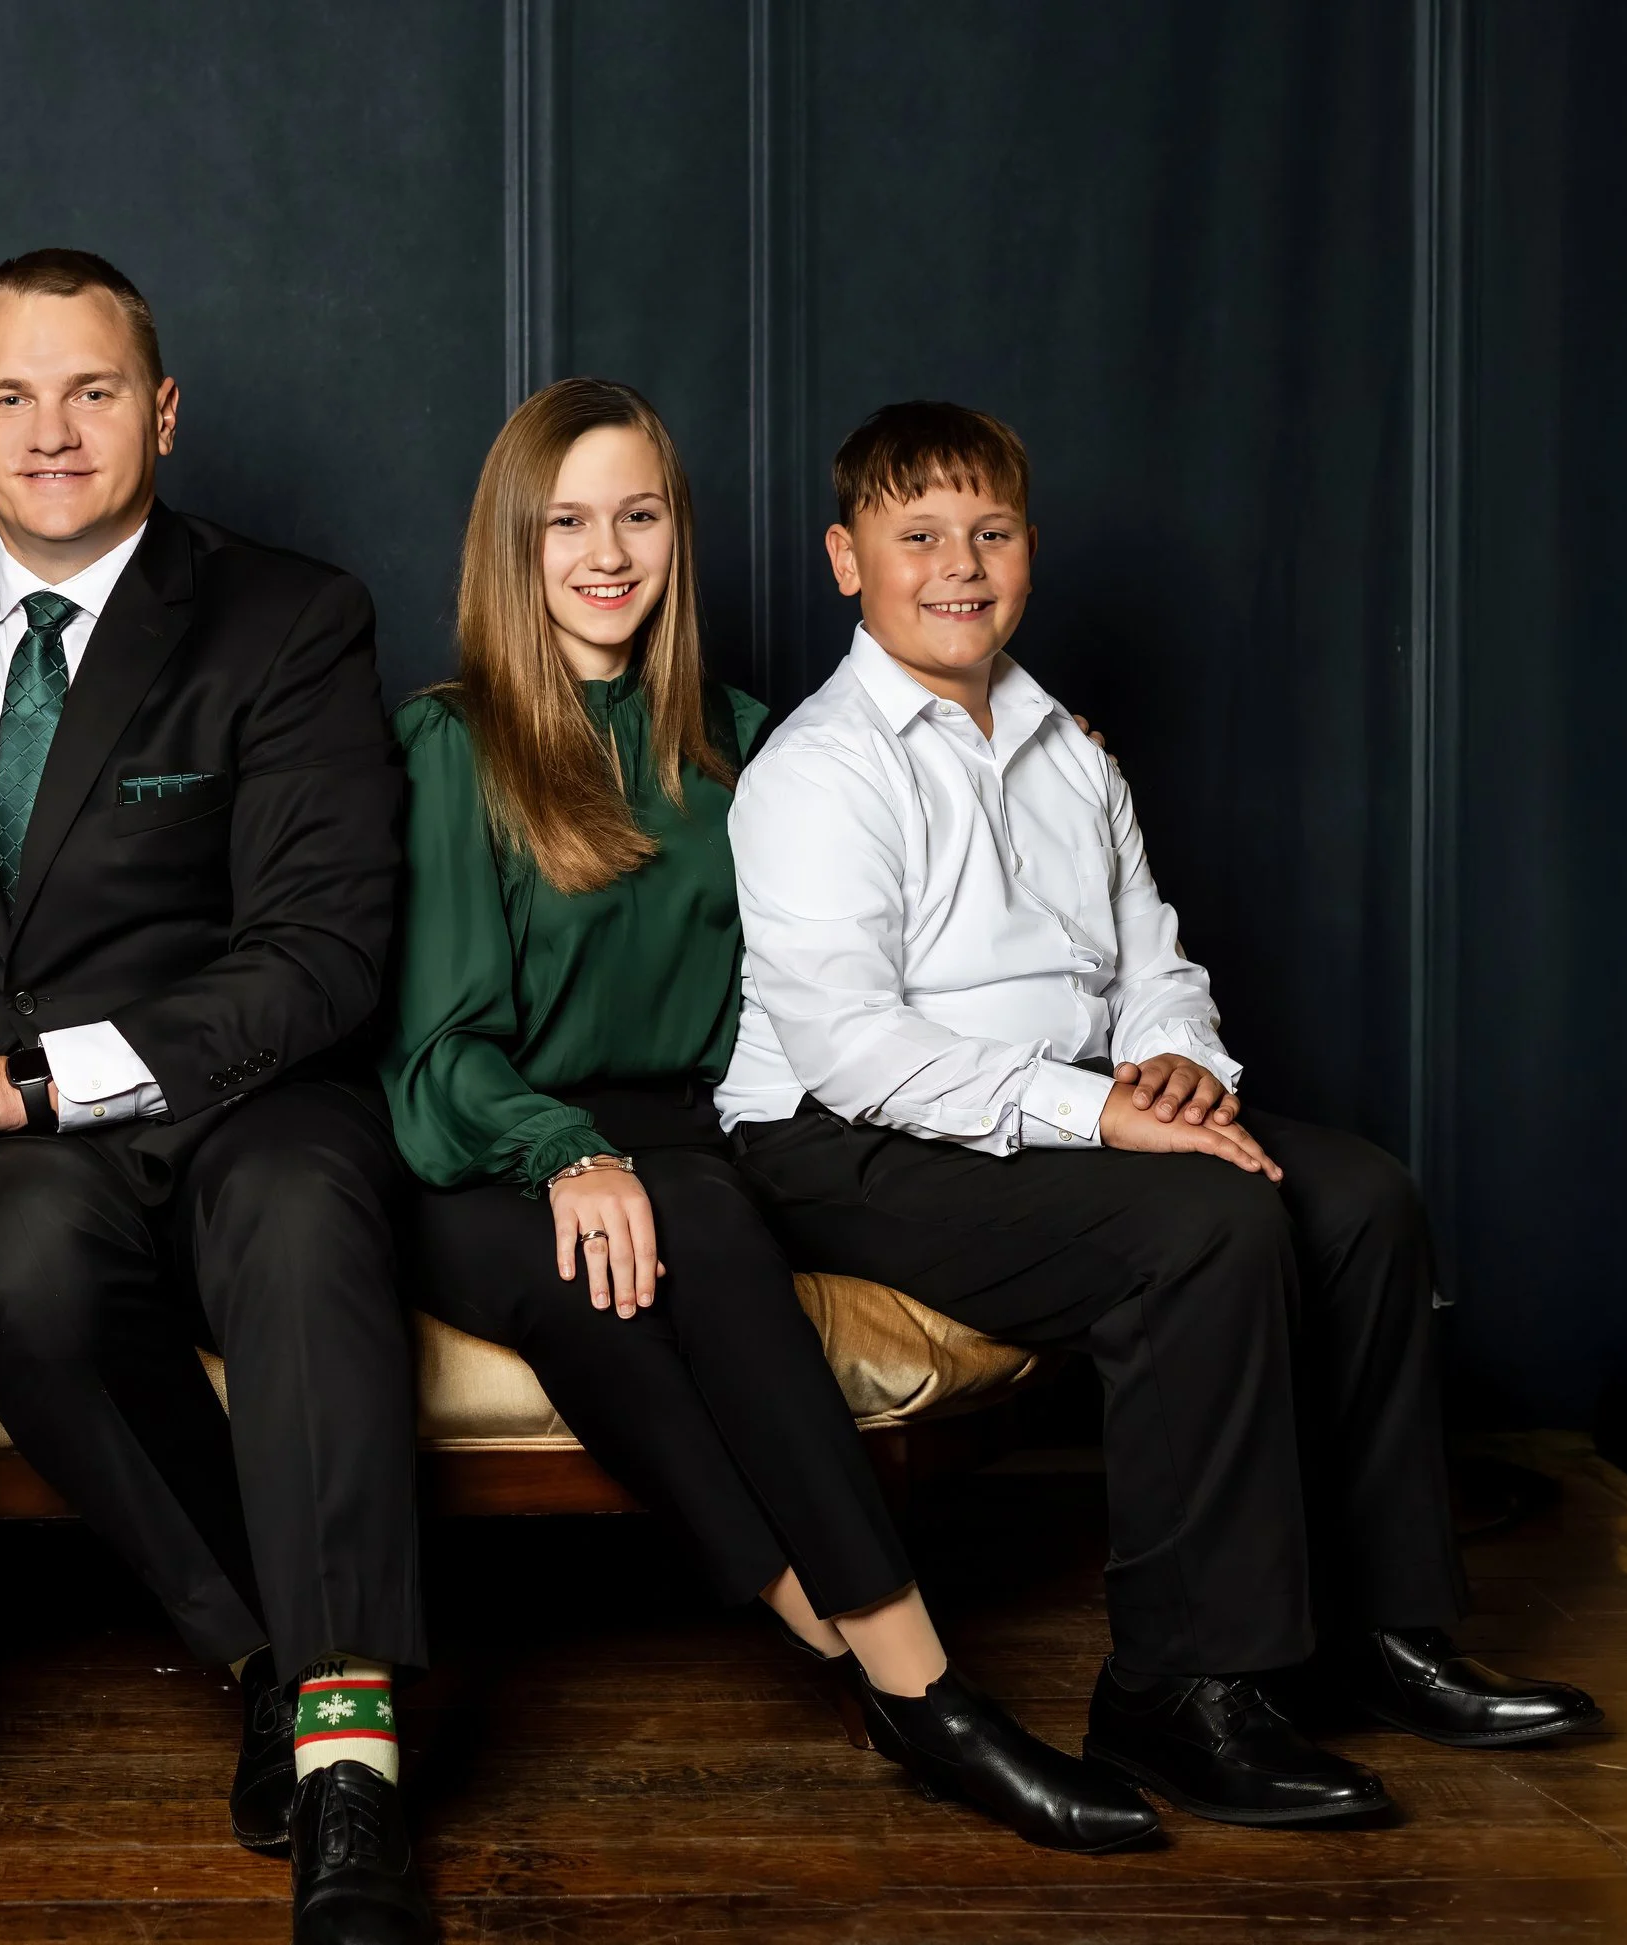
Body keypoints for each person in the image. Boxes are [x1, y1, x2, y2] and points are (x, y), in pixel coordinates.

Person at [720, 399, 1601, 1828]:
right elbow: (858, 1048)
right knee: (1201, 1227)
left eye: (990, 532)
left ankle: (1381, 1635)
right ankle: (1179, 1689)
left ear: (1027, 548)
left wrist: (1180, 1064)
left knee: (1361, 1197)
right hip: (841, 1137)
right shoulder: (819, 771)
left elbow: (1152, 959)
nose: (960, 563)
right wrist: (1102, 1114)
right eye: (918, 535)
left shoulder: (1068, 743)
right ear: (845, 560)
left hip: (1060, 1105)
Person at [380, 376, 1156, 1854]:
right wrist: (569, 1152)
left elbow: (872, 940)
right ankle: (912, 1679)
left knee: (713, 1223)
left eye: (641, 514)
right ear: (512, 545)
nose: (607, 552)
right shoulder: (454, 743)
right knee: (653, 1262)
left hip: (686, 1130)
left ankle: (872, 1671)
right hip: (481, 1147)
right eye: (566, 522)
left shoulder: (748, 742)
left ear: (682, 532)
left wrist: (1046, 768)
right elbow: (438, 1051)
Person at [0, 250, 431, 1943]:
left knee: (306, 1228)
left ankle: (353, 1764)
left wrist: (31, 1078)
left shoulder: (289, 616)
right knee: (26, 1281)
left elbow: (321, 952)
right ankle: (269, 1657)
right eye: (12, 395)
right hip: (9, 1141)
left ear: (161, 411)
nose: (52, 431)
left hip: (247, 1087)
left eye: (91, 392)